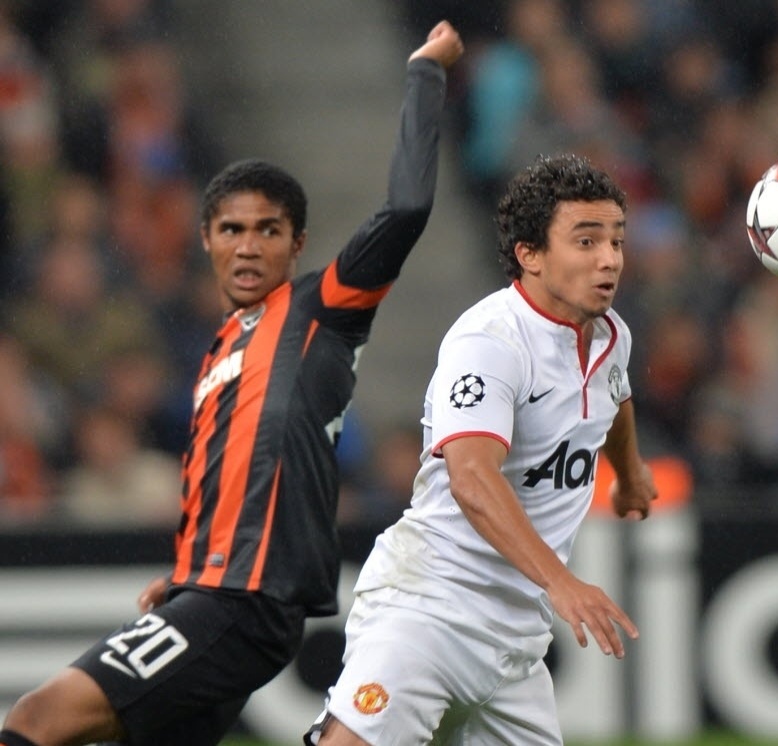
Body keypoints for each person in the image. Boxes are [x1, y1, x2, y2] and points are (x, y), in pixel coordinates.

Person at [0, 19, 464, 746]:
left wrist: (425, 73)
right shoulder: (218, 349)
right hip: (210, 593)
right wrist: (183, 578)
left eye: (268, 230)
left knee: (36, 719)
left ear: (297, 244)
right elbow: (228, 476)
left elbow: (406, 209)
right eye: (232, 229)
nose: (248, 246)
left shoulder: (319, 312)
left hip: (243, 603)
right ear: (206, 238)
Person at [306, 153, 658, 746]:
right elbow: (472, 479)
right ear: (530, 254)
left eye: (616, 241)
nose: (609, 259)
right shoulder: (490, 341)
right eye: (586, 240)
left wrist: (630, 472)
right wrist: (560, 583)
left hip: (513, 644)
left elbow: (615, 398)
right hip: (430, 607)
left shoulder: (610, 335)